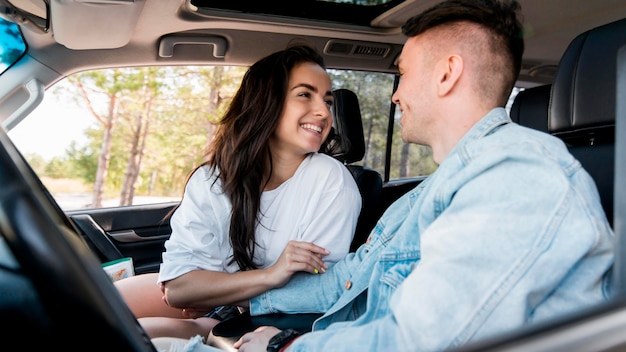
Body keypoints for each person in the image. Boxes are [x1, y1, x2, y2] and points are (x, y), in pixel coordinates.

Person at [154, 0, 615, 351]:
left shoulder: (518, 173)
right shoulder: (438, 188)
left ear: (447, 74)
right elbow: (348, 280)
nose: (395, 96)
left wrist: (286, 345)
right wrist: (252, 303)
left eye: (403, 73)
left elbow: (428, 338)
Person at [116, 45, 362, 341]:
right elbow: (178, 288)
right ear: (265, 102)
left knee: (126, 334)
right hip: (222, 296)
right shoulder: (213, 178)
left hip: (256, 315)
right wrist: (271, 274)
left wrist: (214, 291)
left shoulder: (330, 180)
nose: (323, 111)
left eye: (327, 100)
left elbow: (314, 292)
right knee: (90, 303)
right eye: (304, 94)